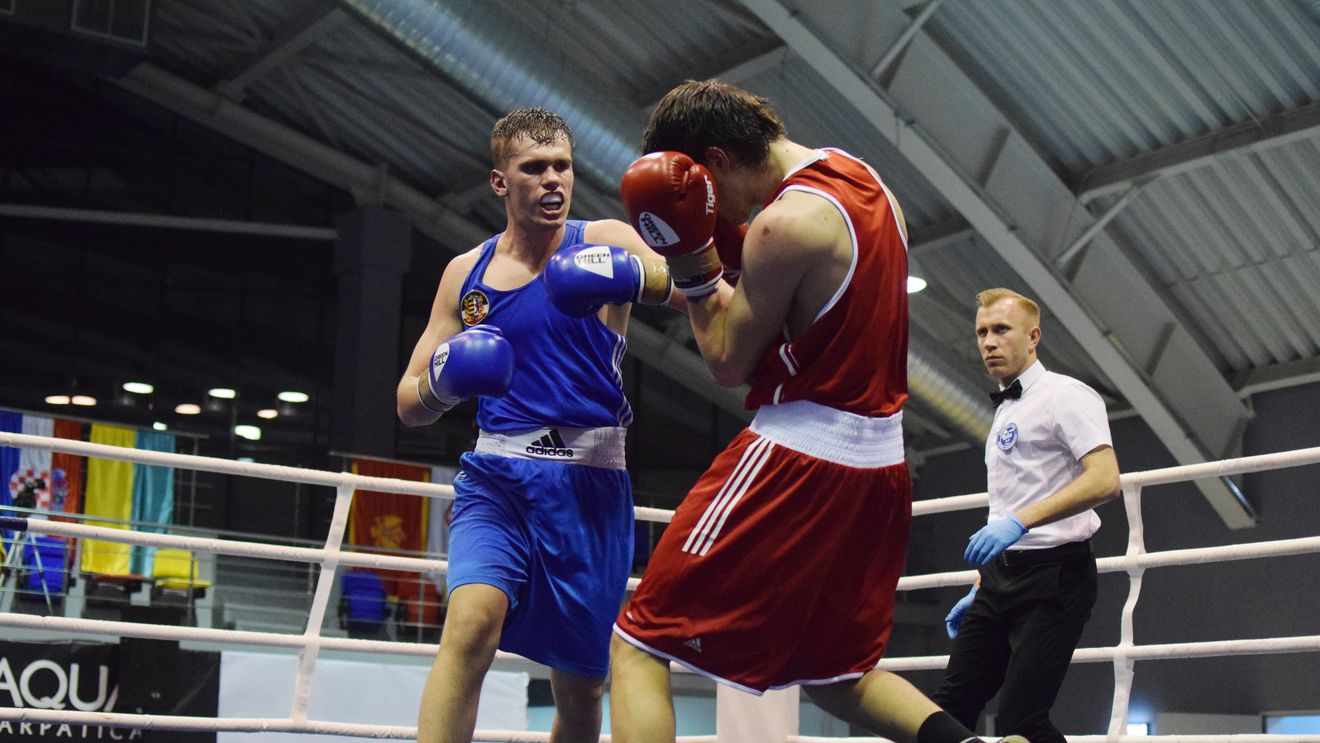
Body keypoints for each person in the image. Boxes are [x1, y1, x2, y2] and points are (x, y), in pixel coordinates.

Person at [592, 79, 1026, 743]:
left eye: (704, 188)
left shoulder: (783, 224)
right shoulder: (865, 181)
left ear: (721, 158)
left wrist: (690, 262)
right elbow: (790, 299)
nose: (708, 209)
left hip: (798, 457)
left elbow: (729, 359)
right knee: (839, 673)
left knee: (639, 641)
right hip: (881, 467)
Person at [396, 107, 678, 743]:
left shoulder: (603, 239)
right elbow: (407, 403)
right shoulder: (463, 275)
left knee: (581, 694)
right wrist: (443, 382)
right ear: (501, 182)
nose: (553, 180)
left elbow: (703, 289)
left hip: (589, 489)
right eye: (534, 168)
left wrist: (638, 275)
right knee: (470, 625)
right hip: (495, 478)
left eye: (563, 167)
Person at [932, 288, 1121, 742]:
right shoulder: (1005, 410)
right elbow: (1006, 505)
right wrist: (980, 585)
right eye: (981, 332)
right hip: (999, 579)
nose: (989, 342)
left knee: (1022, 723)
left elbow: (1105, 480)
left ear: (1033, 336)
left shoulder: (1066, 396)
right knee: (948, 711)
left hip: (1056, 576)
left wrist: (1022, 521)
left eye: (1001, 330)